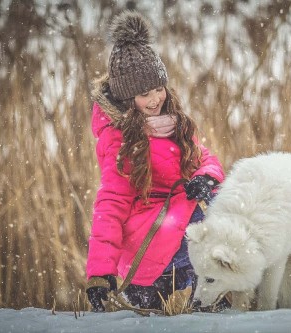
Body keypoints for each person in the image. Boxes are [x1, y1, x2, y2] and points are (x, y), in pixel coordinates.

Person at [85, 11, 225, 312]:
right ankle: (202, 290)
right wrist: (100, 271)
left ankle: (220, 294)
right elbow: (111, 201)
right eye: (144, 94)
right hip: (151, 237)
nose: (155, 99)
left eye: (158, 88)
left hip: (181, 222)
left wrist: (206, 176)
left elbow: (204, 157)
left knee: (225, 200)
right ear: (126, 100)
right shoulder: (120, 140)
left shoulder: (174, 122)